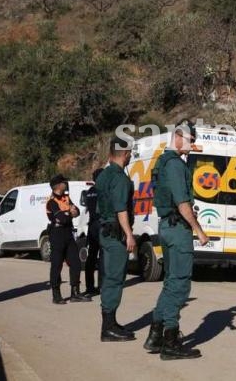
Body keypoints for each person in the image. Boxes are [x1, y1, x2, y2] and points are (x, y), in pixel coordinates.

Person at [144, 121, 209, 360]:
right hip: (178, 229)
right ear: (179, 137)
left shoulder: (163, 161)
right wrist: (198, 230)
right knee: (180, 285)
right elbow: (183, 204)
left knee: (170, 283)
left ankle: (155, 336)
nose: (193, 145)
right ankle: (170, 342)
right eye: (191, 140)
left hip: (167, 227)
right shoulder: (174, 165)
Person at [96, 136, 136, 342]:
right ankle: (108, 327)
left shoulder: (103, 175)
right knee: (115, 278)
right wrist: (129, 234)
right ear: (126, 153)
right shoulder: (120, 178)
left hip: (104, 230)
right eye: (130, 153)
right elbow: (121, 208)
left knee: (110, 276)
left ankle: (110, 323)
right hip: (116, 233)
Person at [46, 174, 91, 305]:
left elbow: (76, 211)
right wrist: (69, 212)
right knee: (57, 265)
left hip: (68, 233)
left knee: (76, 262)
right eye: (64, 182)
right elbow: (62, 218)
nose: (66, 183)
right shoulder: (51, 202)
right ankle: (56, 294)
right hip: (57, 234)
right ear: (58, 185)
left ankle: (75, 293)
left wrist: (69, 212)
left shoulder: (66, 198)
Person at [84, 168, 103, 295]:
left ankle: (90, 287)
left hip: (91, 226)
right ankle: (102, 286)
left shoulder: (89, 192)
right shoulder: (103, 191)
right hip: (100, 225)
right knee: (103, 257)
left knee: (91, 257)